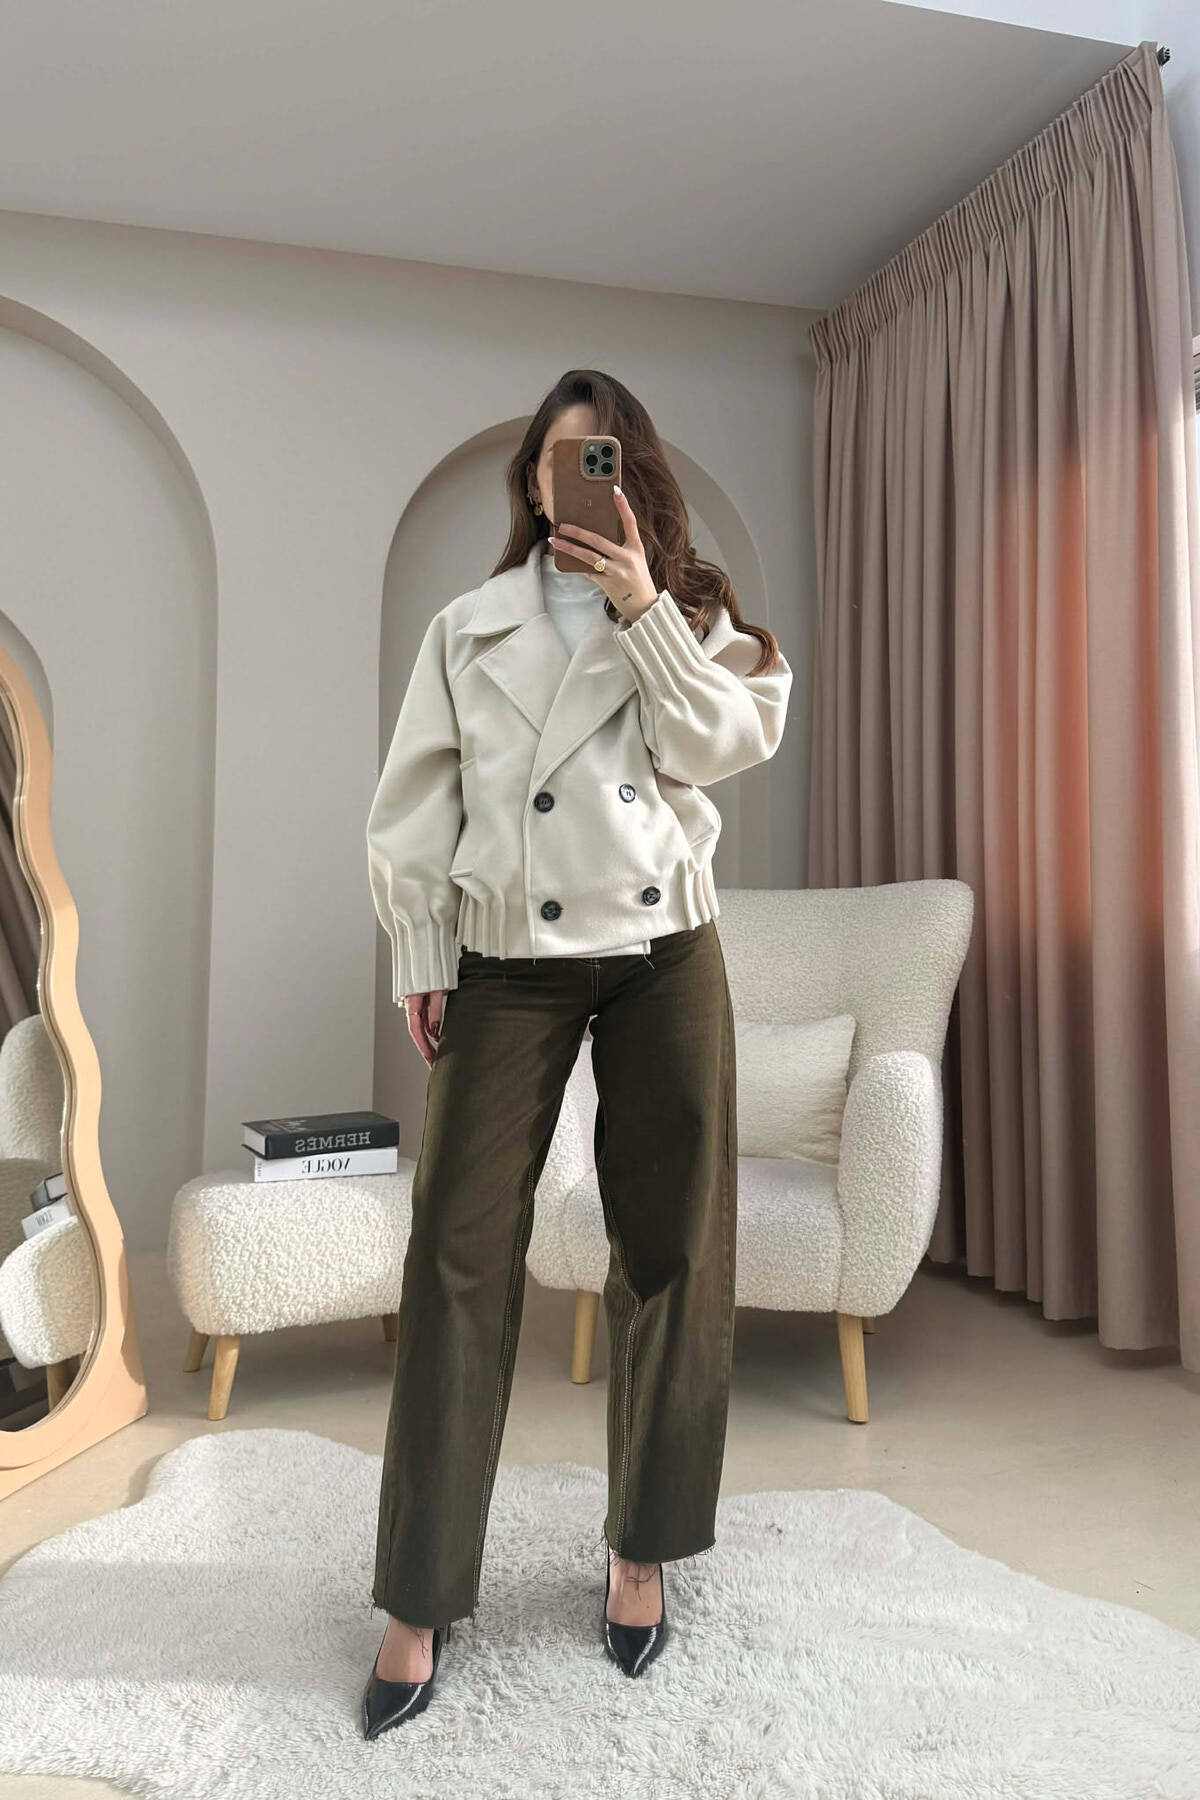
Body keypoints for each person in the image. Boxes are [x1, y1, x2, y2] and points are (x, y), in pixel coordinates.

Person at [361, 369, 792, 1738]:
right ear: (532, 483)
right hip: (508, 959)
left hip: (667, 950)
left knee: (673, 1245)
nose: (575, 481)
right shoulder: (469, 626)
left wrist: (648, 609)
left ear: (632, 472)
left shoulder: (699, 620)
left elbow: (719, 746)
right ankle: (418, 1594)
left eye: (598, 457)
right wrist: (424, 952)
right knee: (455, 1253)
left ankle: (642, 1548)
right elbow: (413, 802)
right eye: (557, 461)